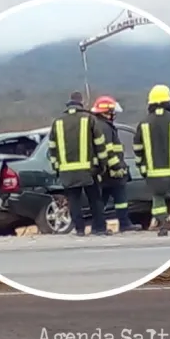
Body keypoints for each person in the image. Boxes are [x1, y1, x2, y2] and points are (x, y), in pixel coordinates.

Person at [48, 91, 110, 236]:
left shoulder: (57, 122)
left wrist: (56, 167)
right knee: (95, 199)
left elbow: (52, 147)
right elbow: (100, 144)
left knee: (74, 201)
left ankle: (79, 230)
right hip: (89, 170)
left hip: (67, 171)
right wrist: (103, 165)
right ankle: (99, 228)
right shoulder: (89, 119)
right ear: (81, 103)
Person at [133, 84, 170, 237]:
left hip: (154, 174)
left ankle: (163, 226)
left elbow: (138, 149)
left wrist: (142, 169)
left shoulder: (143, 123)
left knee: (158, 201)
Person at [90, 95, 142, 232]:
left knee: (103, 200)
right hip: (111, 172)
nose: (114, 115)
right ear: (105, 112)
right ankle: (124, 224)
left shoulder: (99, 125)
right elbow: (108, 149)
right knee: (120, 199)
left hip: (104, 172)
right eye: (112, 112)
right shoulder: (104, 127)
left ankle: (98, 226)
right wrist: (117, 167)